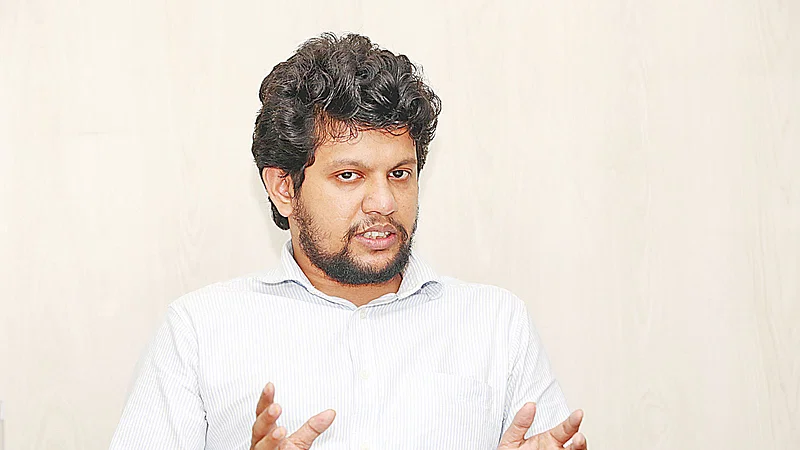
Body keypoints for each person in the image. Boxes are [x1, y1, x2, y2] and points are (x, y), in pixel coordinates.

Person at [109, 32, 587, 450]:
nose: (384, 201)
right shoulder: (199, 332)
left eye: (400, 173)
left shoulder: (498, 324)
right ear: (284, 188)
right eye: (349, 175)